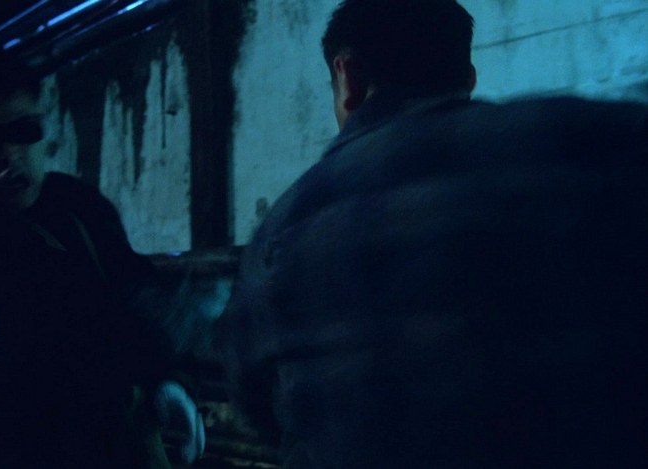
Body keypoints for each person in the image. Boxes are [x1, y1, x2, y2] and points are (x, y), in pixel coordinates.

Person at [216, 1, 648, 467]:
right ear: (468, 76)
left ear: (347, 76)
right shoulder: (601, 142)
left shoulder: (285, 226)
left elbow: (255, 400)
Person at [0, 59, 204, 468]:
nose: (10, 155)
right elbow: (25, 366)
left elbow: (137, 294)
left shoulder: (79, 206)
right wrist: (147, 370)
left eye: (25, 132)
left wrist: (169, 381)